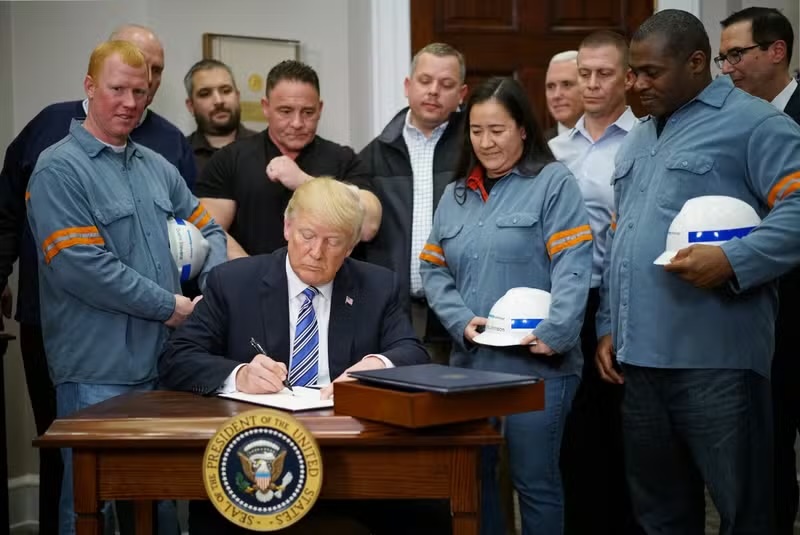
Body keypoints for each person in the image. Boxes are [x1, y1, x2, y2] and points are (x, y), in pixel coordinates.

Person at [596, 9, 800, 533]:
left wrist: (735, 259)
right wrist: (607, 326)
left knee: (746, 515)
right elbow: (622, 237)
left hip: (719, 364)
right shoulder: (638, 139)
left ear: (696, 62)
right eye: (633, 73)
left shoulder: (756, 123)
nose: (636, 84)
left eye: (650, 73)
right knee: (660, 517)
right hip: (639, 365)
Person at [25, 40, 226, 535]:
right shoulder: (58, 169)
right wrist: (173, 307)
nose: (130, 102)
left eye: (140, 91)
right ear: (90, 87)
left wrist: (213, 295)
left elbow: (212, 231)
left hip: (162, 364)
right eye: (117, 89)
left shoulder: (157, 167)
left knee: (158, 499)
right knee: (91, 503)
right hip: (96, 371)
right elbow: (82, 267)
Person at [158, 177, 429, 535]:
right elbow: (177, 359)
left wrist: (375, 367)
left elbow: (413, 351)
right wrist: (238, 374)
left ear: (349, 247)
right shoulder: (233, 282)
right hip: (256, 448)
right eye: (307, 235)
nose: (316, 252)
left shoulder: (378, 286)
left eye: (333, 242)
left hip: (347, 451)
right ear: (287, 227)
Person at [420, 76, 592, 535]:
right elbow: (433, 268)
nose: (486, 142)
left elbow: (574, 264)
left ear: (522, 129)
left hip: (538, 368)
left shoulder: (552, 182)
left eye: (497, 130)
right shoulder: (456, 194)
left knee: (534, 481)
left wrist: (557, 333)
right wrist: (460, 321)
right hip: (472, 366)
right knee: (476, 478)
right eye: (476, 131)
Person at [548, 31, 640, 535]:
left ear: (627, 77)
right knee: (573, 437)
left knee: (625, 437)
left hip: (623, 301)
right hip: (566, 304)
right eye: (584, 73)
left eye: (604, 73)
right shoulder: (555, 149)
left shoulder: (647, 140)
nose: (591, 84)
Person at [718, 7, 800, 533]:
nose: (727, 68)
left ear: (776, 51)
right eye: (722, 58)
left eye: (735, 55)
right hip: (757, 311)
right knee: (767, 447)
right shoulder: (729, 119)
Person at [196, 60, 381, 260]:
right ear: (265, 107)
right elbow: (207, 231)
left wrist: (304, 181)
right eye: (285, 111)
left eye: (308, 112)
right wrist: (251, 274)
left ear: (320, 109)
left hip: (328, 287)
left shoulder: (344, 159)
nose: (297, 123)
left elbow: (368, 227)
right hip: (253, 285)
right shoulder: (230, 158)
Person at [359, 42, 467, 361]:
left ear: (461, 94)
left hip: (461, 311)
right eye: (424, 81)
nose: (434, 91)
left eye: (446, 85)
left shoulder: (476, 150)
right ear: (408, 86)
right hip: (393, 314)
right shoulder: (372, 156)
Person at [184, 58, 257, 175]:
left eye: (226, 91)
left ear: (237, 97)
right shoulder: (179, 154)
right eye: (205, 94)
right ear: (191, 106)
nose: (218, 101)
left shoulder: (266, 149)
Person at [544, 51, 584, 140]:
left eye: (566, 84)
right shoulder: (538, 147)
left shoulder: (615, 140)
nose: (556, 95)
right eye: (551, 87)